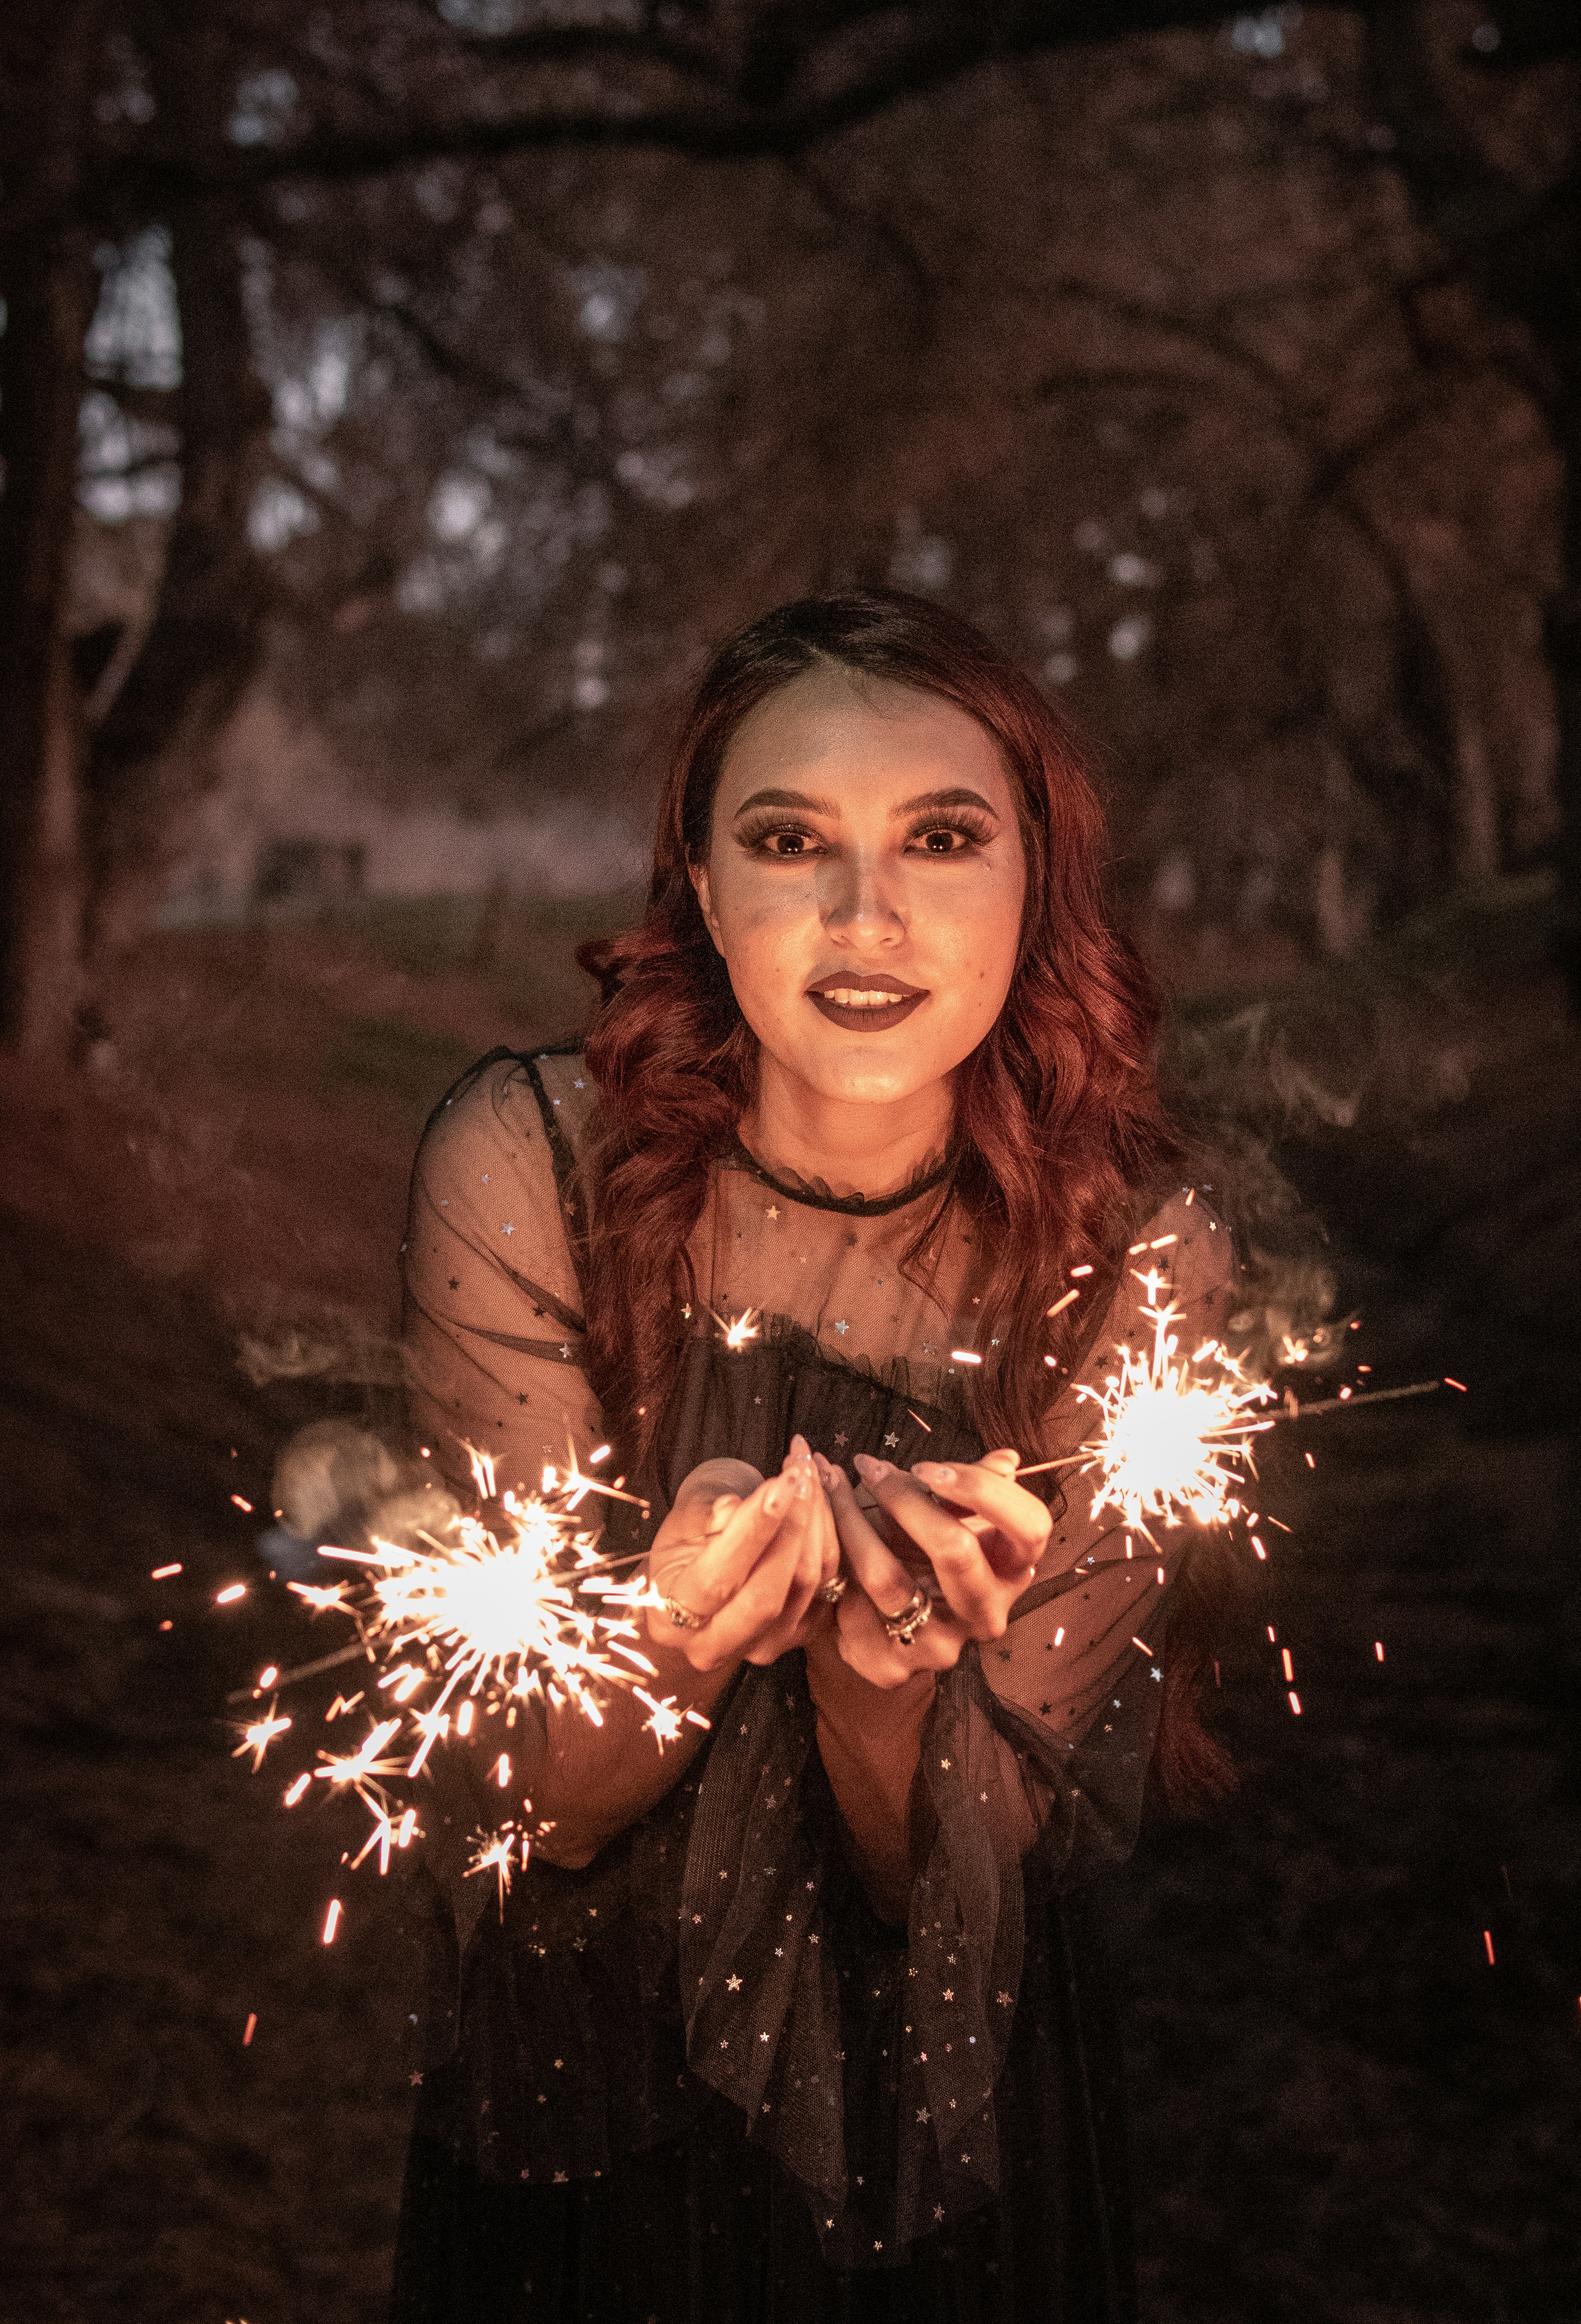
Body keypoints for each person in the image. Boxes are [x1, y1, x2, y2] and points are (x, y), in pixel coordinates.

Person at [388, 592, 1239, 2323]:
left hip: (962, 2135)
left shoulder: (1142, 1259)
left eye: (942, 837)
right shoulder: (528, 1169)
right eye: (790, 841)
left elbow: (955, 1881)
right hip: (590, 2104)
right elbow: (525, 1805)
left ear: (1033, 882)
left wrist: (882, 1694)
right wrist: (677, 1640)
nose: (869, 914)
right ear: (702, 887)